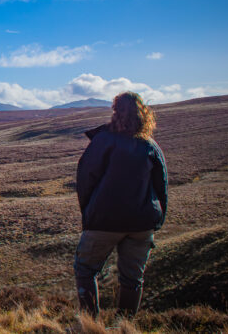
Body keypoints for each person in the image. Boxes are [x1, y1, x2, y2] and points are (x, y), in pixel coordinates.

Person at [73, 91, 168, 318]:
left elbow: (85, 178)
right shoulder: (150, 145)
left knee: (85, 269)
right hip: (142, 223)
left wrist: (89, 212)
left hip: (104, 220)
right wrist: (156, 219)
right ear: (143, 114)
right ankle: (123, 326)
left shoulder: (103, 141)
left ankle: (90, 325)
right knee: (133, 279)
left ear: (116, 112)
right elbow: (161, 185)